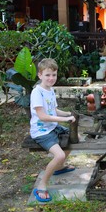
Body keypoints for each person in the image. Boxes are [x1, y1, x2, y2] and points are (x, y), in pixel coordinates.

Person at [30, 58, 76, 202]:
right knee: (60, 155)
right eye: (47, 75)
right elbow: (43, 116)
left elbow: (53, 110)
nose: (51, 78)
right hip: (42, 131)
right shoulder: (37, 92)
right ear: (40, 75)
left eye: (54, 75)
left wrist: (68, 114)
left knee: (74, 138)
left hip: (52, 127)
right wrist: (65, 120)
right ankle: (42, 185)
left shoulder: (50, 90)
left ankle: (59, 168)